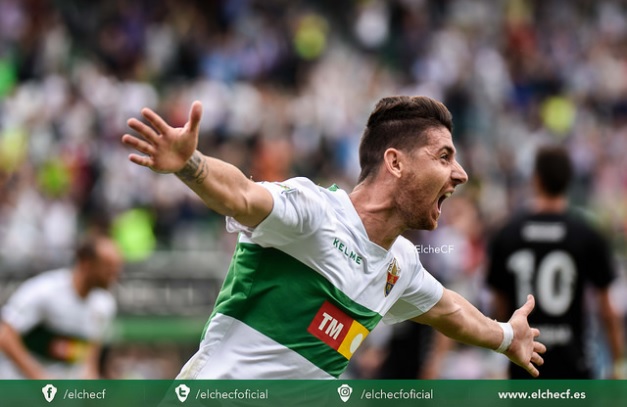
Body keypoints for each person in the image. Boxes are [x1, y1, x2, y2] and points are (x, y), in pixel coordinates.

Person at [121, 95, 546, 379]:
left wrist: (507, 337)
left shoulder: (400, 266)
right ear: (395, 163)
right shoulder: (315, 212)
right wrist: (189, 163)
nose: (461, 173)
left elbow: (449, 311)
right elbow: (242, 194)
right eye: (444, 156)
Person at [486, 145, 625, 379]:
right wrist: (618, 363)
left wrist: (498, 357)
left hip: (523, 362)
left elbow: (499, 305)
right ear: (568, 181)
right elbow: (607, 310)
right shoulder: (587, 234)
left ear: (536, 180)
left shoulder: (507, 234)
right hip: (574, 364)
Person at [0, 234, 121, 379]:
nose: (114, 274)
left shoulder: (105, 305)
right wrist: (38, 376)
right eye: (108, 266)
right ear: (86, 264)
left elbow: (90, 353)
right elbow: (5, 336)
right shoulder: (44, 290)